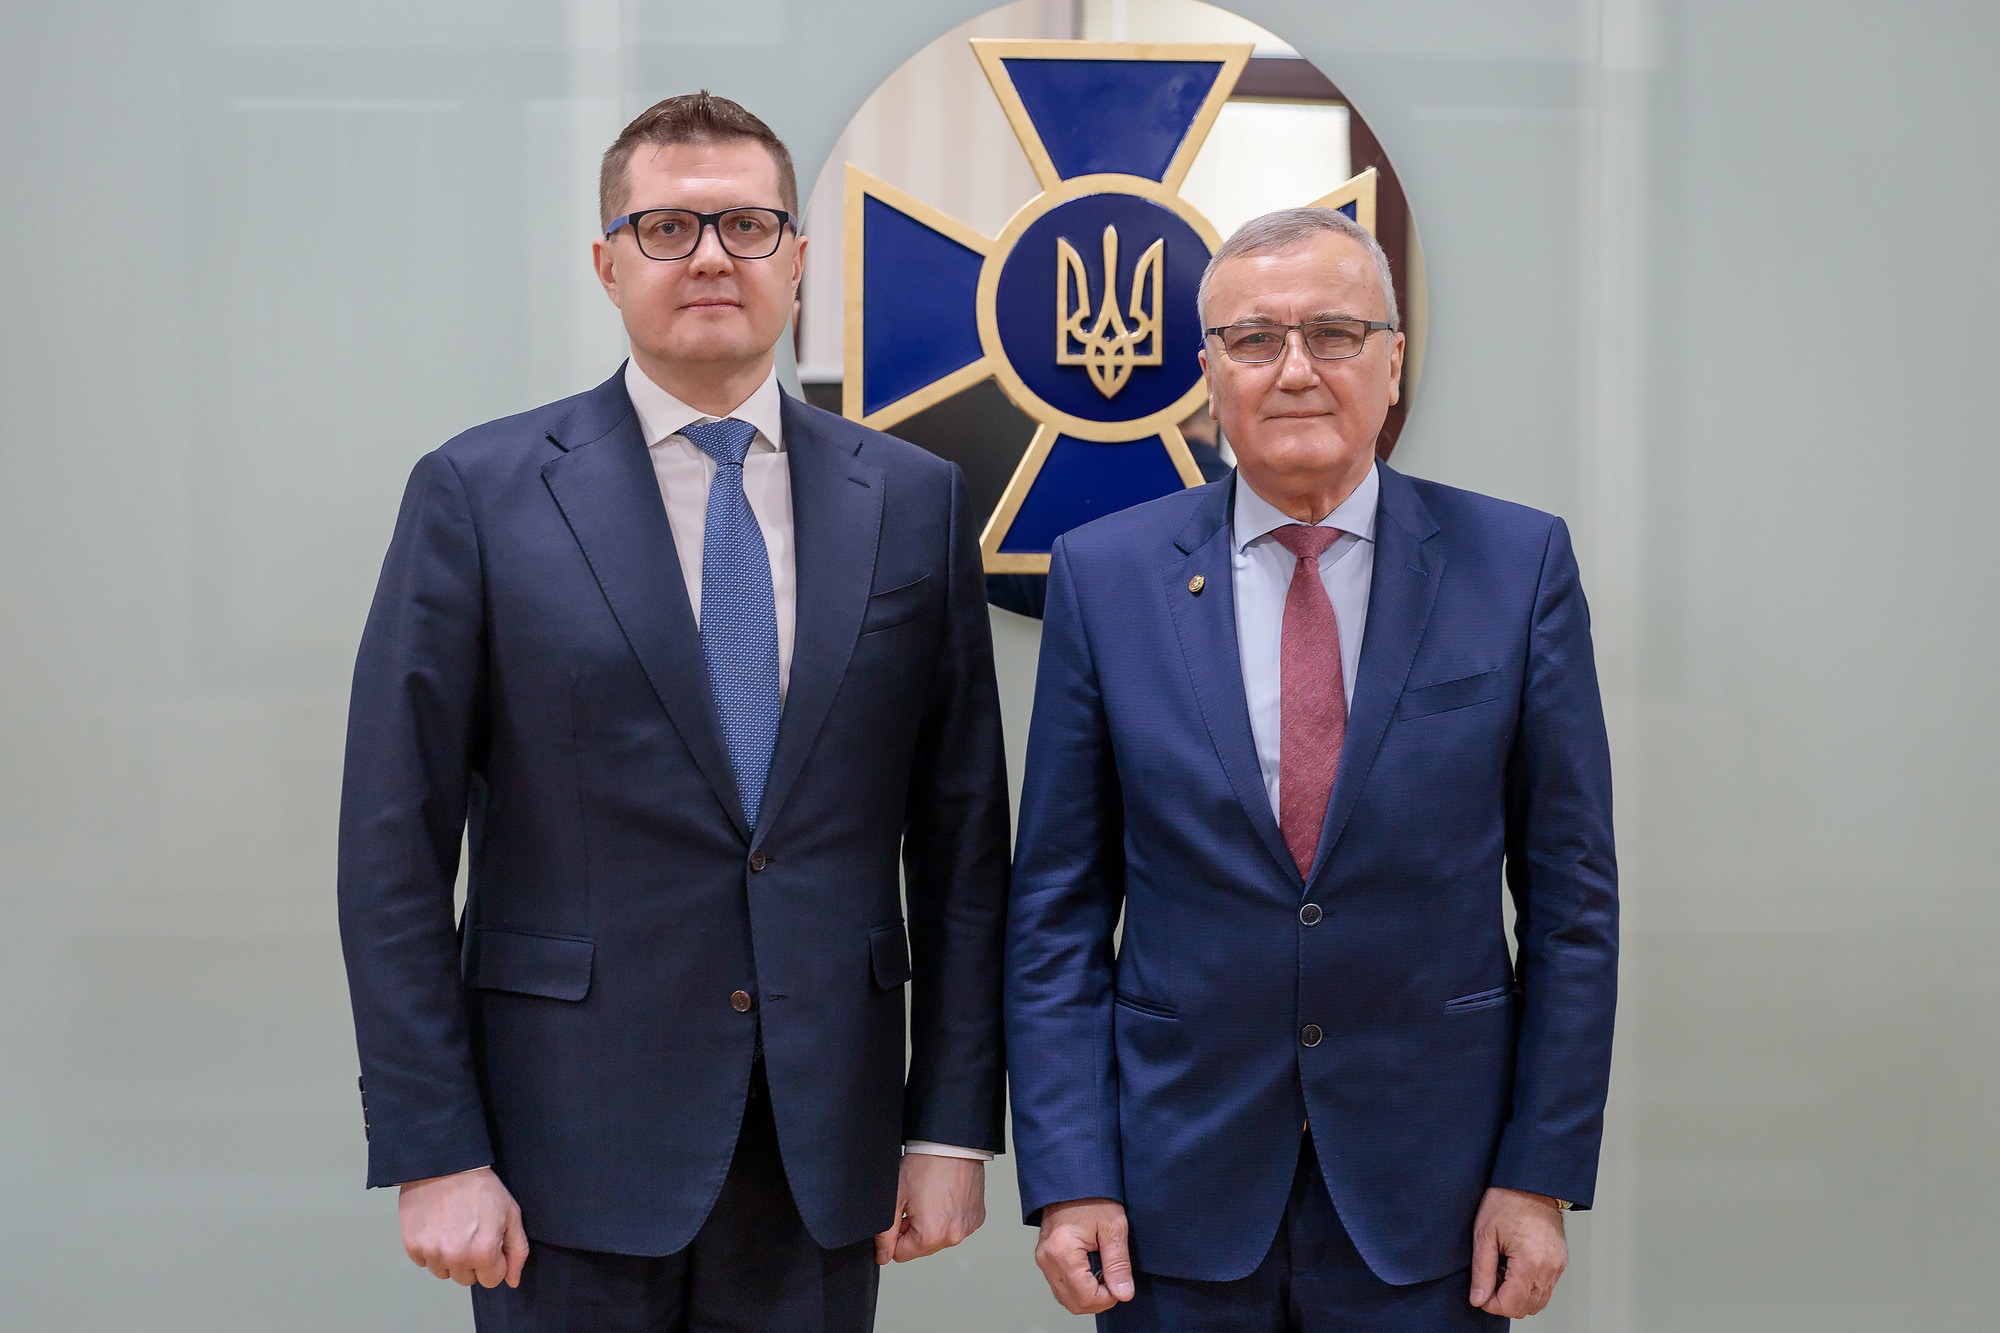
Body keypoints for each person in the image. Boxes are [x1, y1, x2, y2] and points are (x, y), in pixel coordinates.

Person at [337, 92, 1009, 1332]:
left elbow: (964, 847)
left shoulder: (913, 500)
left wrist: (950, 1124)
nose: (710, 256)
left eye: (747, 226)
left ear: (796, 260)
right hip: (557, 1151)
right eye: (666, 228)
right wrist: (435, 1143)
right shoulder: (479, 493)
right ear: (606, 264)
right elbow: (392, 846)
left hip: (822, 1147)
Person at [1005, 206, 1618, 1329]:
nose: (1294, 369)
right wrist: (1069, 1173)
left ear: (1393, 362)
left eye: (1334, 334)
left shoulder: (1515, 564)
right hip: (1170, 1192)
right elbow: (1056, 907)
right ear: (1208, 374)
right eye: (1254, 339)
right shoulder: (1107, 575)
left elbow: (1571, 905)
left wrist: (1538, 1172)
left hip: (1438, 1196)